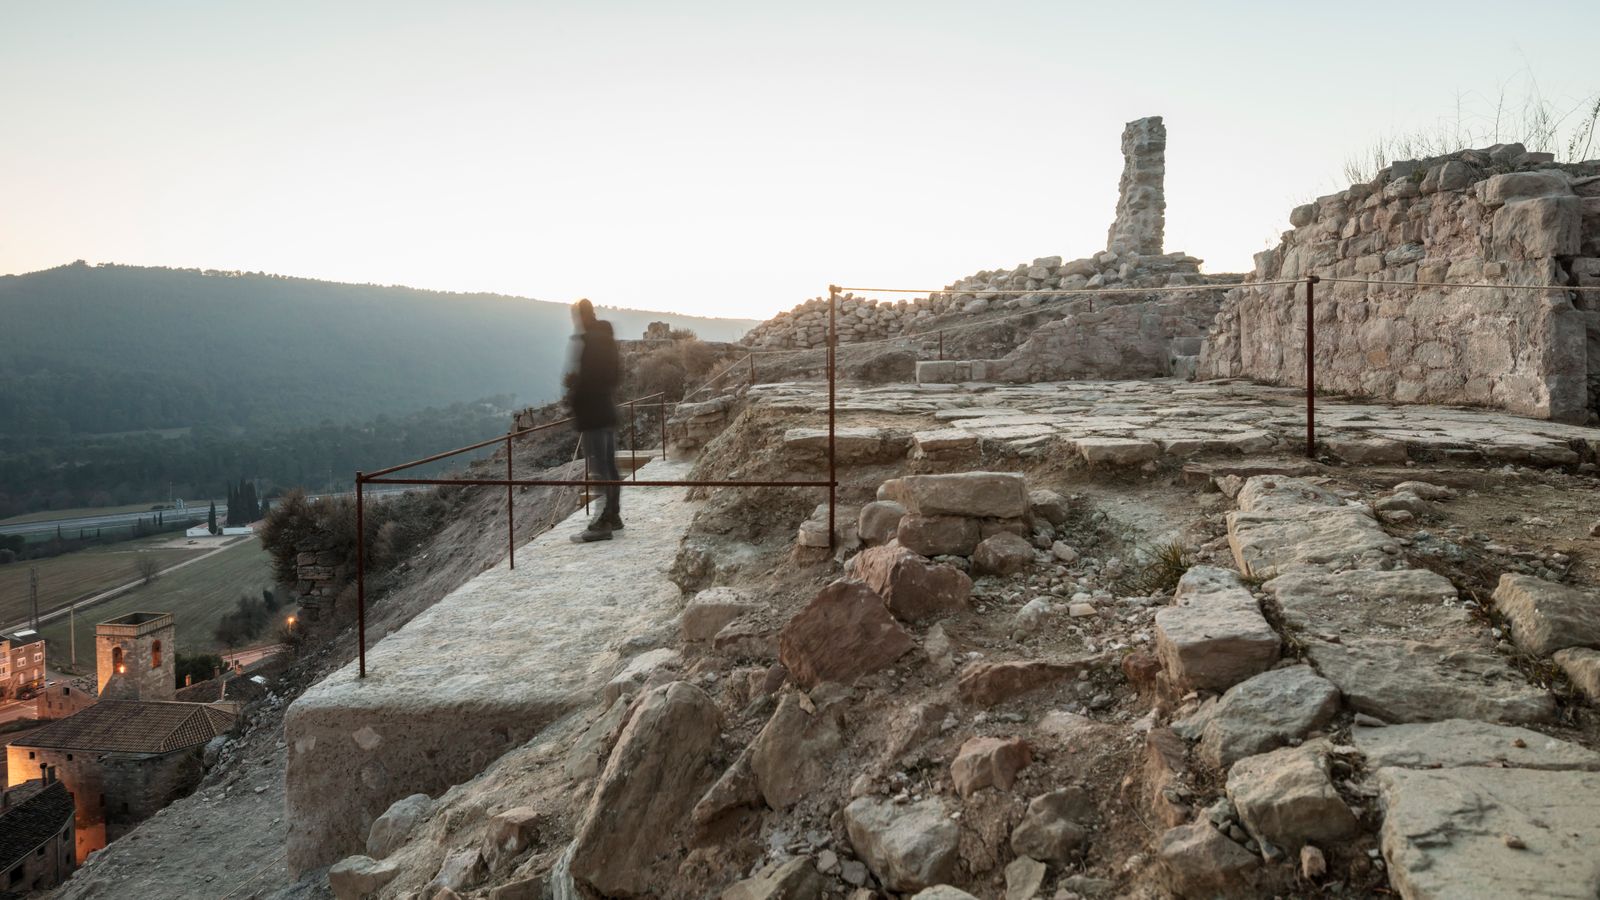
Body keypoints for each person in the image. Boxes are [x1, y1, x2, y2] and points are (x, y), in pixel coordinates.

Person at [565, 299, 624, 542]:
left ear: (581, 315)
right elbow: (615, 375)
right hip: (607, 410)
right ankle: (613, 516)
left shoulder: (590, 341)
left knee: (600, 467)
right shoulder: (605, 338)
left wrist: (574, 388)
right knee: (609, 466)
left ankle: (602, 524)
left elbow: (589, 378)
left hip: (593, 413)